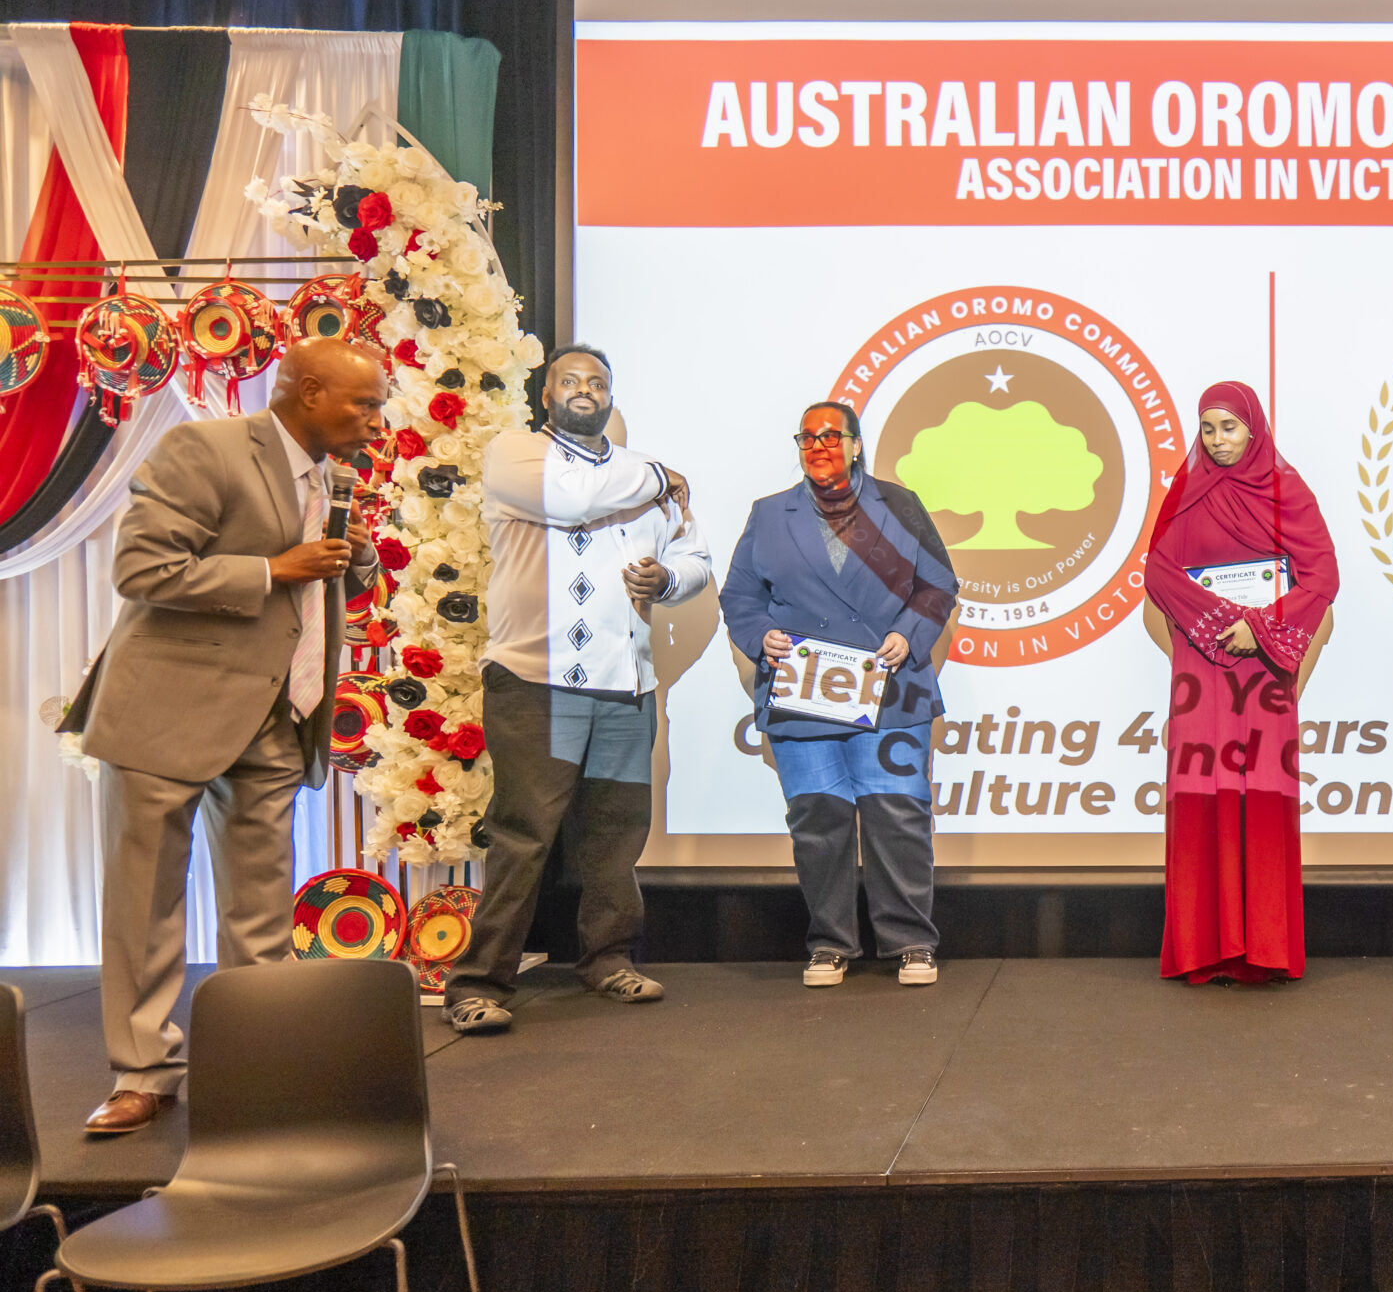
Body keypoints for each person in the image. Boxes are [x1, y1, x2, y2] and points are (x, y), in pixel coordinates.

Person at [70, 337, 386, 1133]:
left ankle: (257, 1067)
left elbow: (325, 582)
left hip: (277, 715)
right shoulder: (204, 449)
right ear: (309, 392)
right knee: (145, 906)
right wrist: (274, 568)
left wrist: (356, 557)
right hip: (166, 715)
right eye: (365, 404)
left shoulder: (333, 477)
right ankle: (144, 1073)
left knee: (261, 915)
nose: (377, 421)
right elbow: (142, 569)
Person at [443, 344, 711, 1034]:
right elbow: (572, 500)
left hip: (626, 683)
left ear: (611, 398)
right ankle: (478, 982)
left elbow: (694, 555)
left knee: (615, 833)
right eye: (570, 380)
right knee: (526, 834)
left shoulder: (643, 476)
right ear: (547, 395)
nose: (584, 390)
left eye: (597, 382)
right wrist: (660, 475)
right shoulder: (516, 455)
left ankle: (608, 959)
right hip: (539, 679)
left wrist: (668, 580)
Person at [721, 402, 958, 987]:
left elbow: (938, 583)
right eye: (807, 437)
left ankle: (911, 942)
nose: (818, 446)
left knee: (897, 815)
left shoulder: (898, 505)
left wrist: (909, 633)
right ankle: (830, 943)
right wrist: (760, 635)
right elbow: (740, 596)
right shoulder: (770, 514)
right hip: (804, 691)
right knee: (817, 819)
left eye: (831, 435)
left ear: (855, 444)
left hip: (891, 688)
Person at [1142, 381, 1340, 983]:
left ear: (1253, 429)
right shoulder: (1187, 488)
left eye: (1229, 427)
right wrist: (1221, 624)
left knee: (1262, 797)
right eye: (1208, 428)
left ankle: (1264, 949)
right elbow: (1159, 572)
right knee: (1203, 793)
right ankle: (1205, 949)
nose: (1217, 440)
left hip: (1264, 668)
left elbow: (1322, 577)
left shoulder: (1287, 489)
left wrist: (1259, 629)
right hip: (1202, 667)